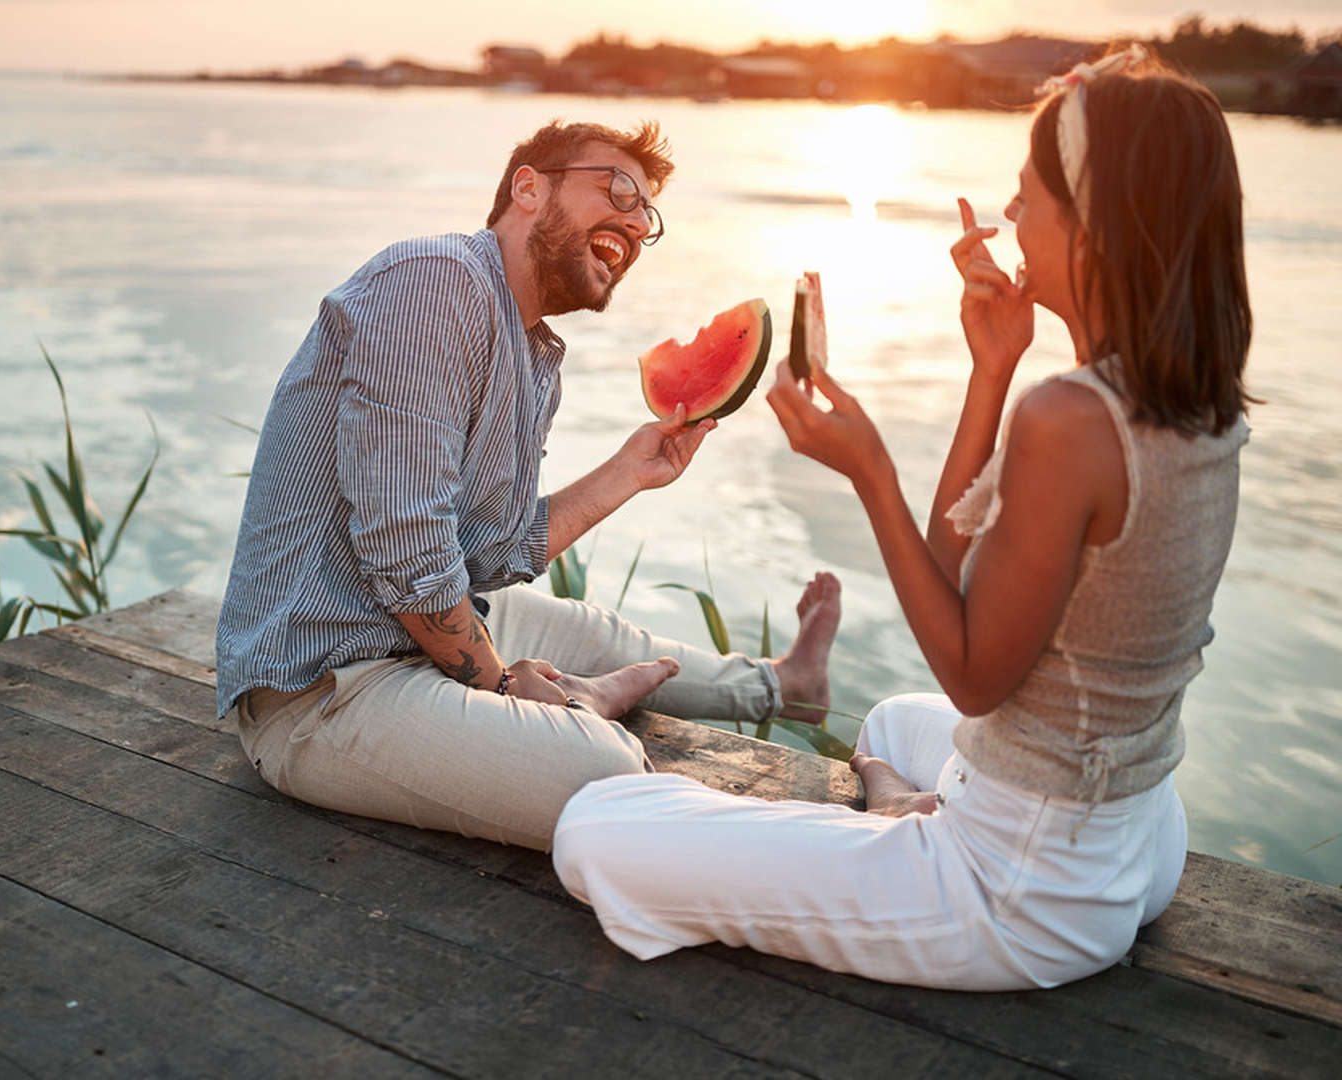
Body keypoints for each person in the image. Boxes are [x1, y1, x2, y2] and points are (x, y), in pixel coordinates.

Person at [553, 46, 1253, 990]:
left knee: (593, 832)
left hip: (1019, 893)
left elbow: (971, 676)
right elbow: (958, 574)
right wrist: (993, 368)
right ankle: (894, 800)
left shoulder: (1073, 419)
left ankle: (894, 830)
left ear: (1094, 225)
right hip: (1134, 833)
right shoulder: (1189, 401)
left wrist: (870, 473)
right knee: (885, 722)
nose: (1010, 218)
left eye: (1030, 195)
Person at [214, 119, 841, 852]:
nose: (637, 224)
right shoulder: (434, 282)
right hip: (322, 692)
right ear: (528, 187)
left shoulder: (532, 351)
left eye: (647, 216)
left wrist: (629, 473)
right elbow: (407, 551)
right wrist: (504, 683)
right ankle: (832, 839)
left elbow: (492, 552)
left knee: (591, 632)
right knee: (602, 773)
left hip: (404, 642)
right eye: (617, 190)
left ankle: (785, 684)